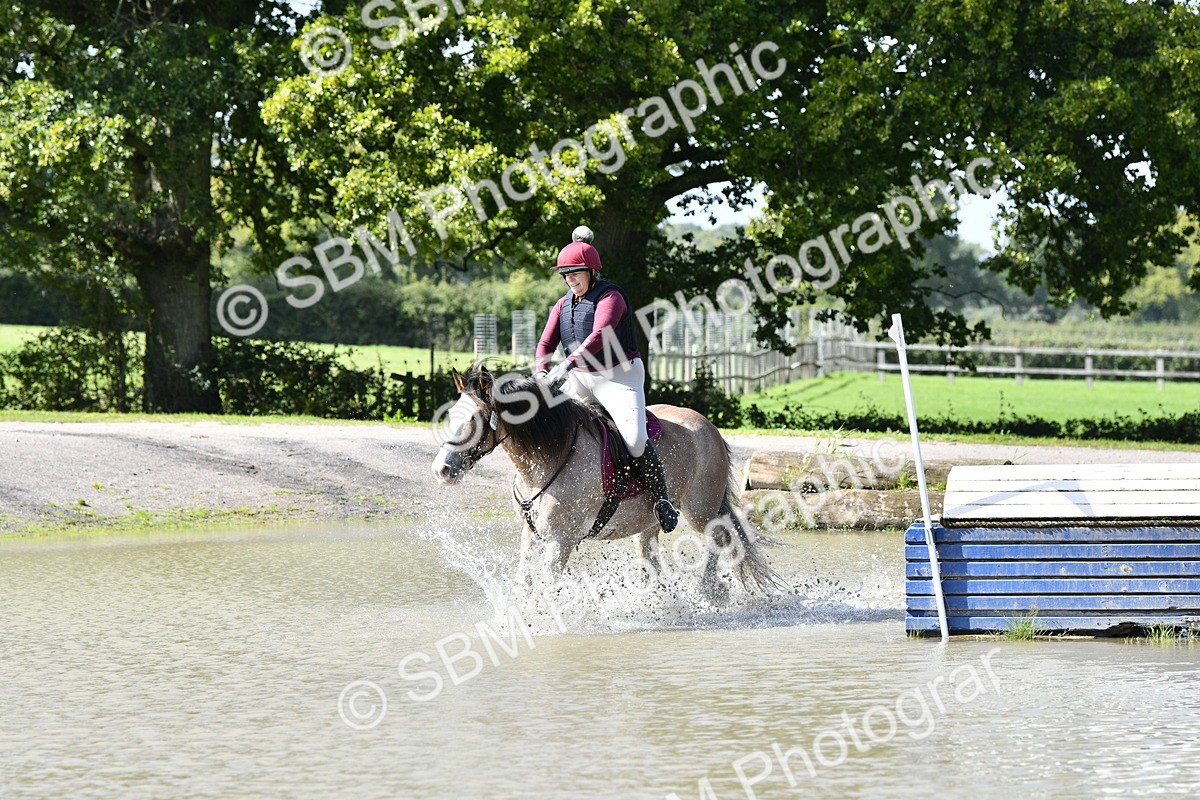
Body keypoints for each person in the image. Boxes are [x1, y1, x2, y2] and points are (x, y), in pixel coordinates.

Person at [534, 225, 679, 533]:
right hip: (582, 377)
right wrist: (541, 370)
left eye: (575, 273)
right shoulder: (562, 305)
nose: (570, 279)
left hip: (619, 377)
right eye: (565, 275)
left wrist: (568, 363)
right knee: (554, 425)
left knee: (634, 438)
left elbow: (600, 334)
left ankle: (662, 500)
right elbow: (546, 344)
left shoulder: (611, 297)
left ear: (591, 271)